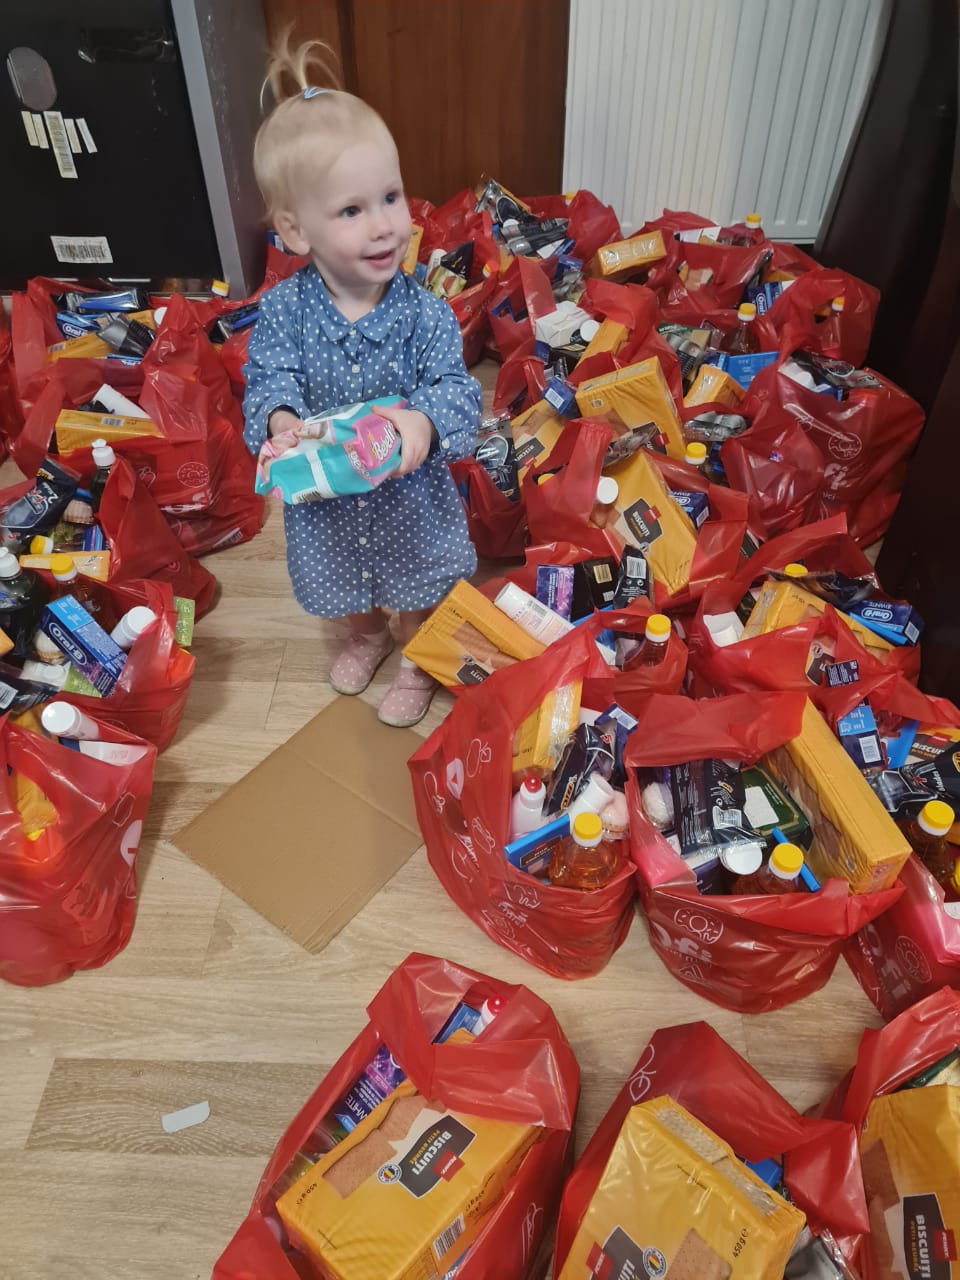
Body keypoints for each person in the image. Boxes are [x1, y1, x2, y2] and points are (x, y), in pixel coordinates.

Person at [242, 38, 481, 727]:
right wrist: (281, 419)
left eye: (391, 197)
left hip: (410, 498)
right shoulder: (284, 311)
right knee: (341, 576)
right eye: (351, 211)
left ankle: (417, 655)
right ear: (295, 230)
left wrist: (422, 420)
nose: (383, 225)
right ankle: (366, 634)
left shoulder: (425, 313)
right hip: (328, 500)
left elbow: (456, 389)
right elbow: (269, 375)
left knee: (419, 580)